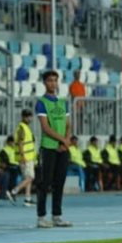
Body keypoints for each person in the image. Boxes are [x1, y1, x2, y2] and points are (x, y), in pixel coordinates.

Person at [35, 70, 72, 227]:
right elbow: (45, 127)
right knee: (45, 183)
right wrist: (62, 140)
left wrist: (66, 142)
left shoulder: (64, 102)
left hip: (62, 148)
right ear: (44, 83)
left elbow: (68, 124)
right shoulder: (42, 102)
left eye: (55, 80)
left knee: (60, 182)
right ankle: (41, 217)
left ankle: (57, 215)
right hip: (49, 147)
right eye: (50, 80)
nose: (53, 83)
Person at [10, 109, 37, 206]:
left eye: (30, 116)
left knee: (27, 178)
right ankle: (14, 191)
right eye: (27, 116)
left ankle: (27, 198)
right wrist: (22, 156)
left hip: (29, 157)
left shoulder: (25, 127)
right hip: (25, 157)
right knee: (30, 177)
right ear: (23, 117)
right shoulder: (22, 128)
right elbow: (20, 143)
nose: (29, 118)